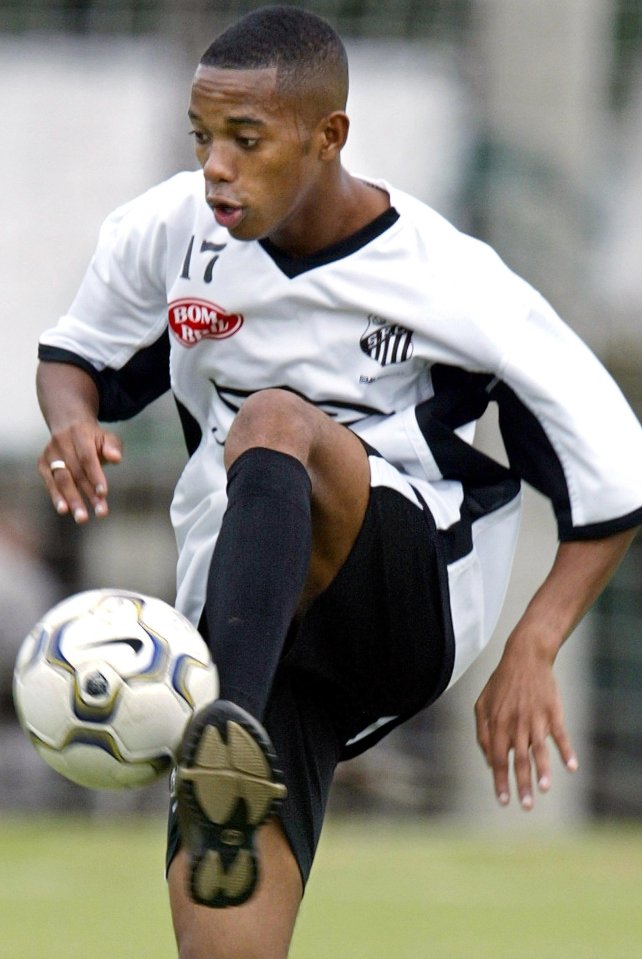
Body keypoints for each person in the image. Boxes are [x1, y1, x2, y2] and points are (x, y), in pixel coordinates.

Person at [35, 6, 642, 958]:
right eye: (204, 138)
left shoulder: (447, 276)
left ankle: (219, 738)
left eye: (247, 139)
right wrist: (72, 419)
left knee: (275, 421)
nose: (216, 167)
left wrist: (535, 642)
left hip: (405, 591)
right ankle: (234, 757)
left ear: (330, 137)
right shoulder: (170, 233)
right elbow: (76, 352)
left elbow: (616, 459)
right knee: (222, 949)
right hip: (253, 625)